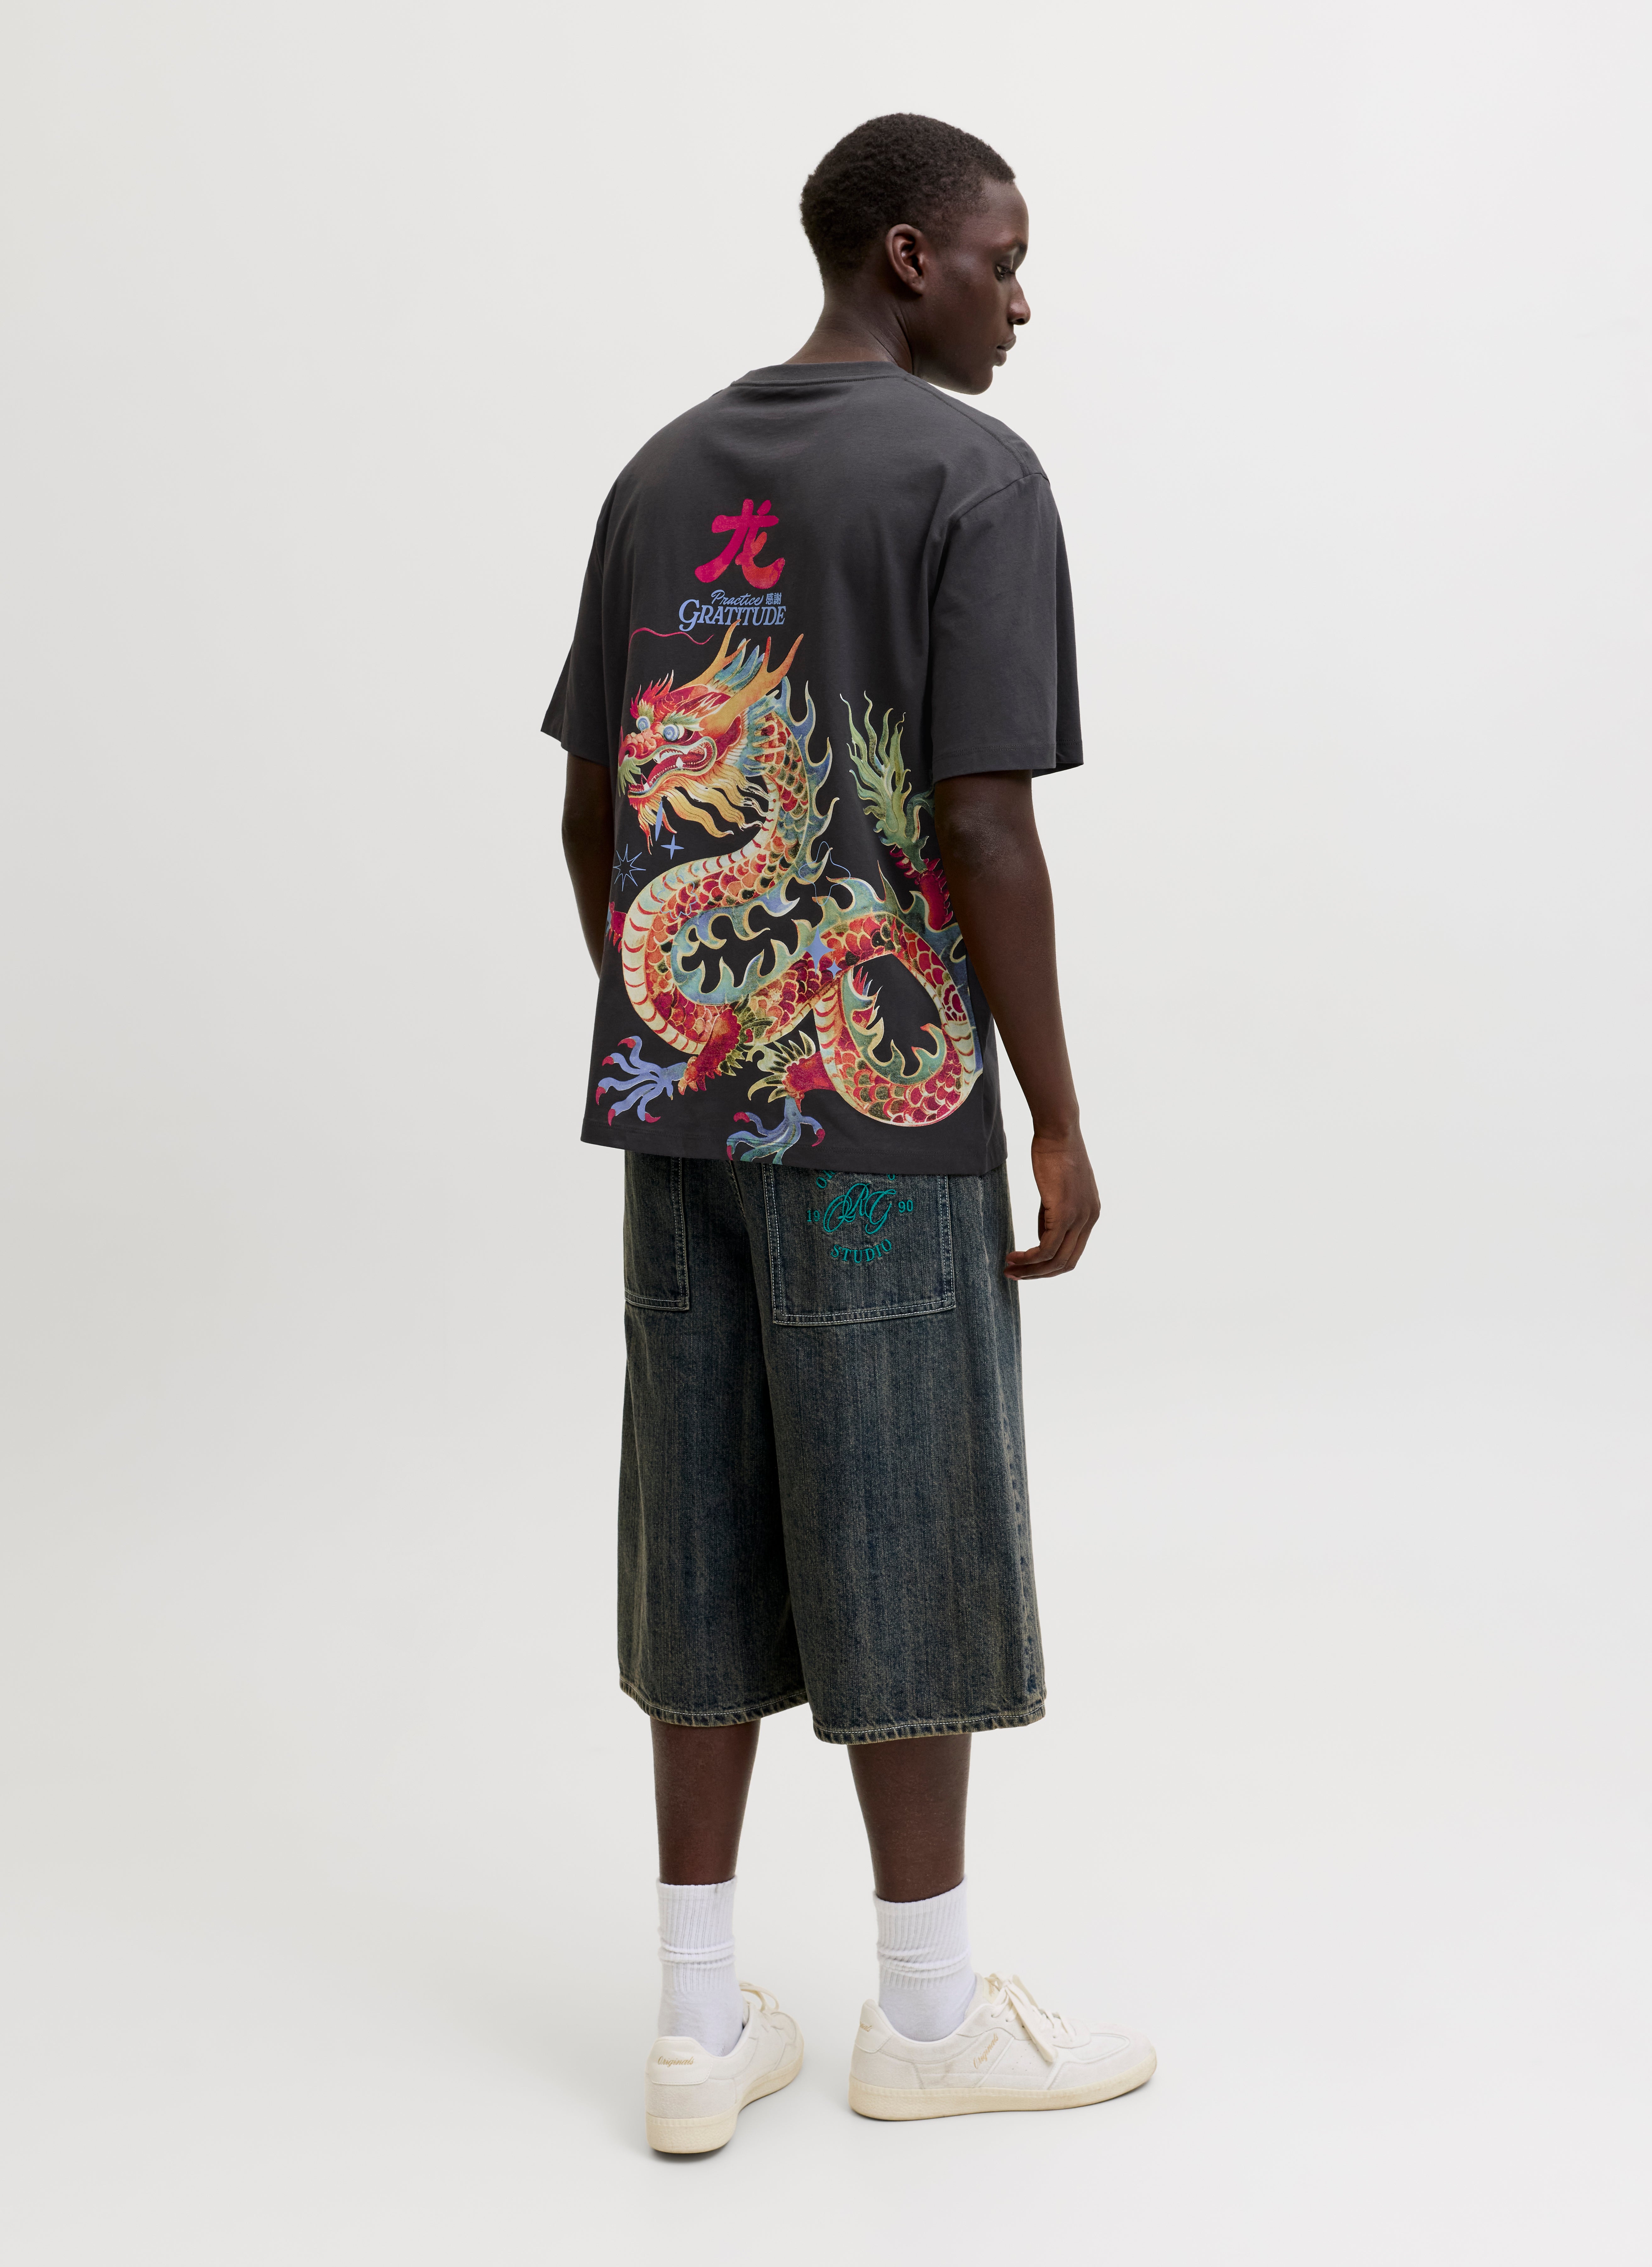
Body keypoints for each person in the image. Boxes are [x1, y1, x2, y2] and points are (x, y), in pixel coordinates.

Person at [546, 112, 1154, 2154]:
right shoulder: (973, 476)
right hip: (882, 1124)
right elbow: (983, 822)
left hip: (685, 1110)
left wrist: (688, 1024)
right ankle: (926, 2014)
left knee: (698, 1526)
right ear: (907, 256)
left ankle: (694, 2028)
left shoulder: (660, 471)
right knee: (911, 1519)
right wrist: (1055, 1112)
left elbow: (592, 811)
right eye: (1001, 258)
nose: (1021, 298)